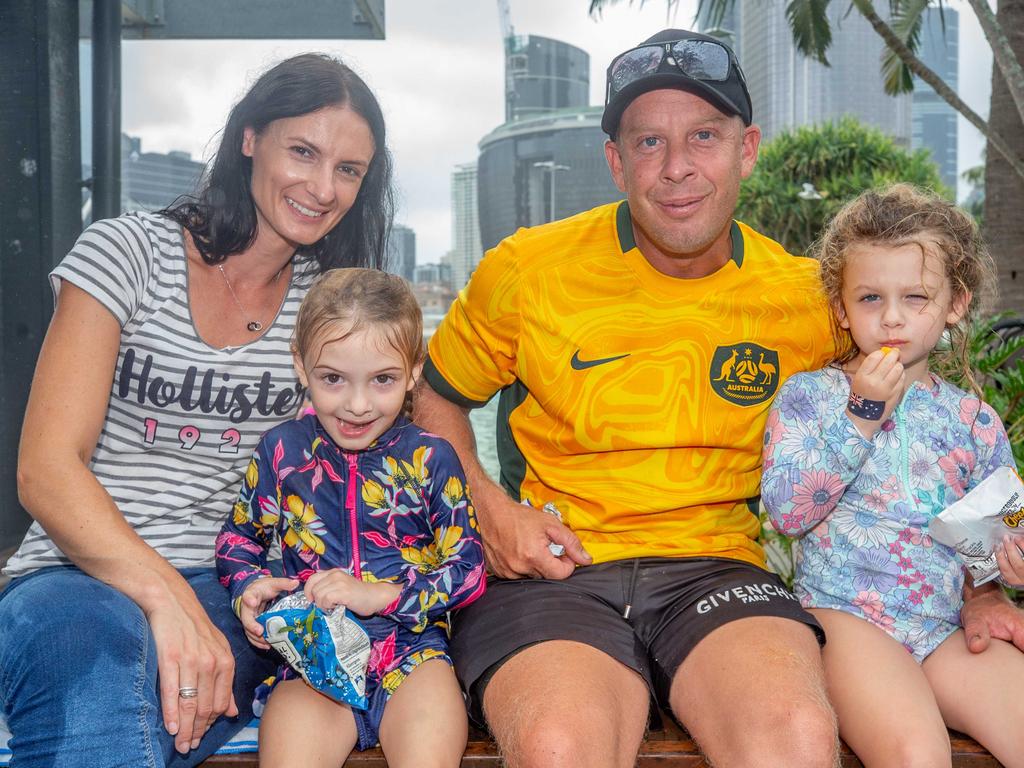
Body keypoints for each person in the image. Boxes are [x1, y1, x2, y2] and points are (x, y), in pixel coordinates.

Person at [413, 29, 1024, 768]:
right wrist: (488, 507)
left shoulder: (810, 299)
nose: (676, 168)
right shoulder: (526, 268)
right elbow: (434, 399)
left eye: (704, 136)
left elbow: (928, 434)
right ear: (615, 161)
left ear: (748, 148)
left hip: (719, 569)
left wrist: (980, 584)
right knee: (557, 743)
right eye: (647, 143)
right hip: (559, 569)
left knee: (795, 737)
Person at [0, 53, 393, 767]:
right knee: (89, 675)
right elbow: (46, 470)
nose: (322, 186)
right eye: (302, 151)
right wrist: (164, 600)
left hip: (233, 587)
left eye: (348, 170)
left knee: (146, 712)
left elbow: (406, 432)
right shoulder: (128, 252)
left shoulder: (329, 308)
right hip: (72, 570)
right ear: (250, 138)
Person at [761, 184, 1024, 767]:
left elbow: (993, 538)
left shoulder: (974, 421)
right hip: (845, 618)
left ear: (955, 304)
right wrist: (861, 416)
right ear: (841, 308)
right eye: (871, 298)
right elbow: (787, 512)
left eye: (916, 297)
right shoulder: (809, 398)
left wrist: (1000, 574)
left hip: (943, 628)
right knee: (915, 753)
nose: (893, 317)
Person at [216, 268, 485, 767]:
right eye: (333, 379)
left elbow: (467, 568)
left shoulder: (432, 458)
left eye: (382, 380)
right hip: (312, 666)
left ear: (413, 370)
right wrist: (248, 590)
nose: (357, 406)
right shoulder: (281, 452)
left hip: (413, 658)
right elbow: (238, 541)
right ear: (301, 366)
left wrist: (382, 595)